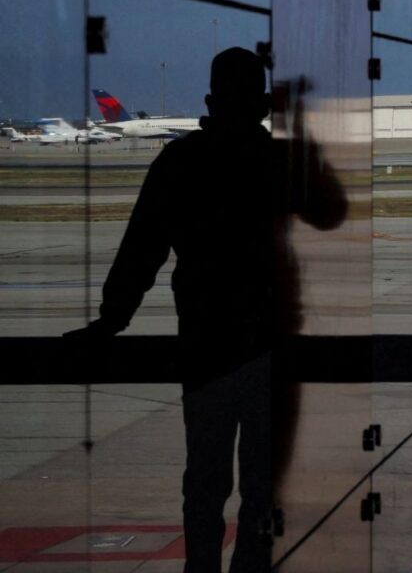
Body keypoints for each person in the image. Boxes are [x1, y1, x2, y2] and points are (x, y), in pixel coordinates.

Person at [65, 48, 345, 572]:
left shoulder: (181, 161)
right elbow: (332, 213)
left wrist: (111, 321)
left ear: (210, 101)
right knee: (263, 487)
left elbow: (140, 251)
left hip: (205, 345)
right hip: (267, 346)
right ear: (263, 103)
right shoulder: (275, 162)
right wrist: (301, 132)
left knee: (205, 483)